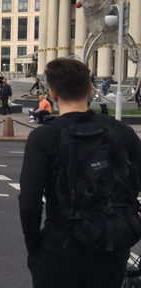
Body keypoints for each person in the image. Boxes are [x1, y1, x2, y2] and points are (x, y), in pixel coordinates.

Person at [19, 58, 141, 288]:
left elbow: (29, 203)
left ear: (53, 94)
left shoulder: (43, 137)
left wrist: (34, 249)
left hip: (60, 249)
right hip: (112, 250)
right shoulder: (120, 131)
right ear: (89, 89)